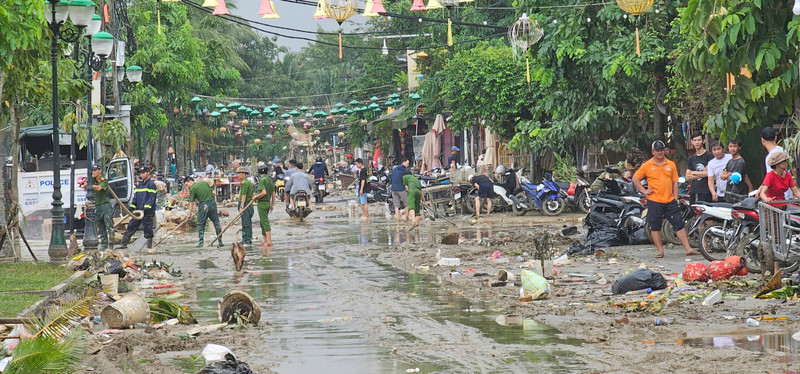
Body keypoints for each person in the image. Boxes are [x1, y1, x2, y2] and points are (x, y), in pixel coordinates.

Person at [633, 140, 700, 259]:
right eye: (657, 150)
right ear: (653, 152)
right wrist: (644, 191)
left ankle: (688, 248)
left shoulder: (670, 164)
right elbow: (635, 179)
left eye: (662, 150)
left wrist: (675, 196)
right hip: (654, 200)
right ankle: (660, 250)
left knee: (679, 224)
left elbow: (675, 181)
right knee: (655, 226)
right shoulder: (647, 165)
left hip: (669, 200)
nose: (660, 152)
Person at [119, 165, 158, 250]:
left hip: (147, 213)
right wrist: (132, 207)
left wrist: (146, 208)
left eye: (143, 173)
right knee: (131, 226)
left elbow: (151, 198)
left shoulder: (151, 185)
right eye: (141, 173)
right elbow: (135, 197)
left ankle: (149, 246)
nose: (142, 175)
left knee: (148, 229)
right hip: (138, 212)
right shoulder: (140, 185)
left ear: (148, 173)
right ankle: (124, 243)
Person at [185, 176, 223, 247]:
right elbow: (213, 193)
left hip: (204, 205)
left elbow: (191, 203)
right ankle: (220, 241)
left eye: (187, 185)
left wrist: (189, 214)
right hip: (212, 203)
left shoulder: (193, 189)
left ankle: (201, 243)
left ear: (190, 181)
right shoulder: (204, 183)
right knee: (216, 223)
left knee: (201, 224)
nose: (187, 187)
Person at [83, 164, 114, 250]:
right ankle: (104, 246)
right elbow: (85, 188)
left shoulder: (103, 180)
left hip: (105, 206)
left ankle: (111, 245)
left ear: (99, 171)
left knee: (109, 226)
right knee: (101, 227)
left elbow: (99, 188)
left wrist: (89, 185)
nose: (94, 172)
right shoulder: (91, 181)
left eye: (95, 170)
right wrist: (85, 184)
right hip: (97, 206)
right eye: (92, 170)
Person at [762, 127, 792, 200]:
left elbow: (771, 178)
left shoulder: (771, 157)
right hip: (788, 193)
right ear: (775, 137)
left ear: (762, 140)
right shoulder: (783, 150)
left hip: (777, 198)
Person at [685, 132, 714, 203]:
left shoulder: (709, 156)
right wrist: (702, 174)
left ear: (704, 141)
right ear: (691, 142)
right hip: (694, 190)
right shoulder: (691, 158)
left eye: (699, 140)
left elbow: (709, 173)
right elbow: (688, 176)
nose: (697, 142)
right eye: (695, 140)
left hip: (706, 191)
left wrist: (693, 172)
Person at [252, 165, 275, 247]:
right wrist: (272, 204)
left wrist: (255, 197)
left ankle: (269, 240)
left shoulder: (262, 180)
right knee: (262, 222)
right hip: (268, 203)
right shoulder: (270, 179)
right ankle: (264, 240)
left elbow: (264, 192)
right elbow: (273, 193)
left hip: (262, 203)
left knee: (265, 222)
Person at [236, 166, 254, 245]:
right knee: (246, 222)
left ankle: (247, 239)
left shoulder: (245, 183)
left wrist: (242, 206)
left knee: (246, 223)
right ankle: (246, 238)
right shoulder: (247, 182)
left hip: (246, 204)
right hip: (247, 204)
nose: (238, 175)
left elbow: (244, 195)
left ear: (244, 174)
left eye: (239, 173)